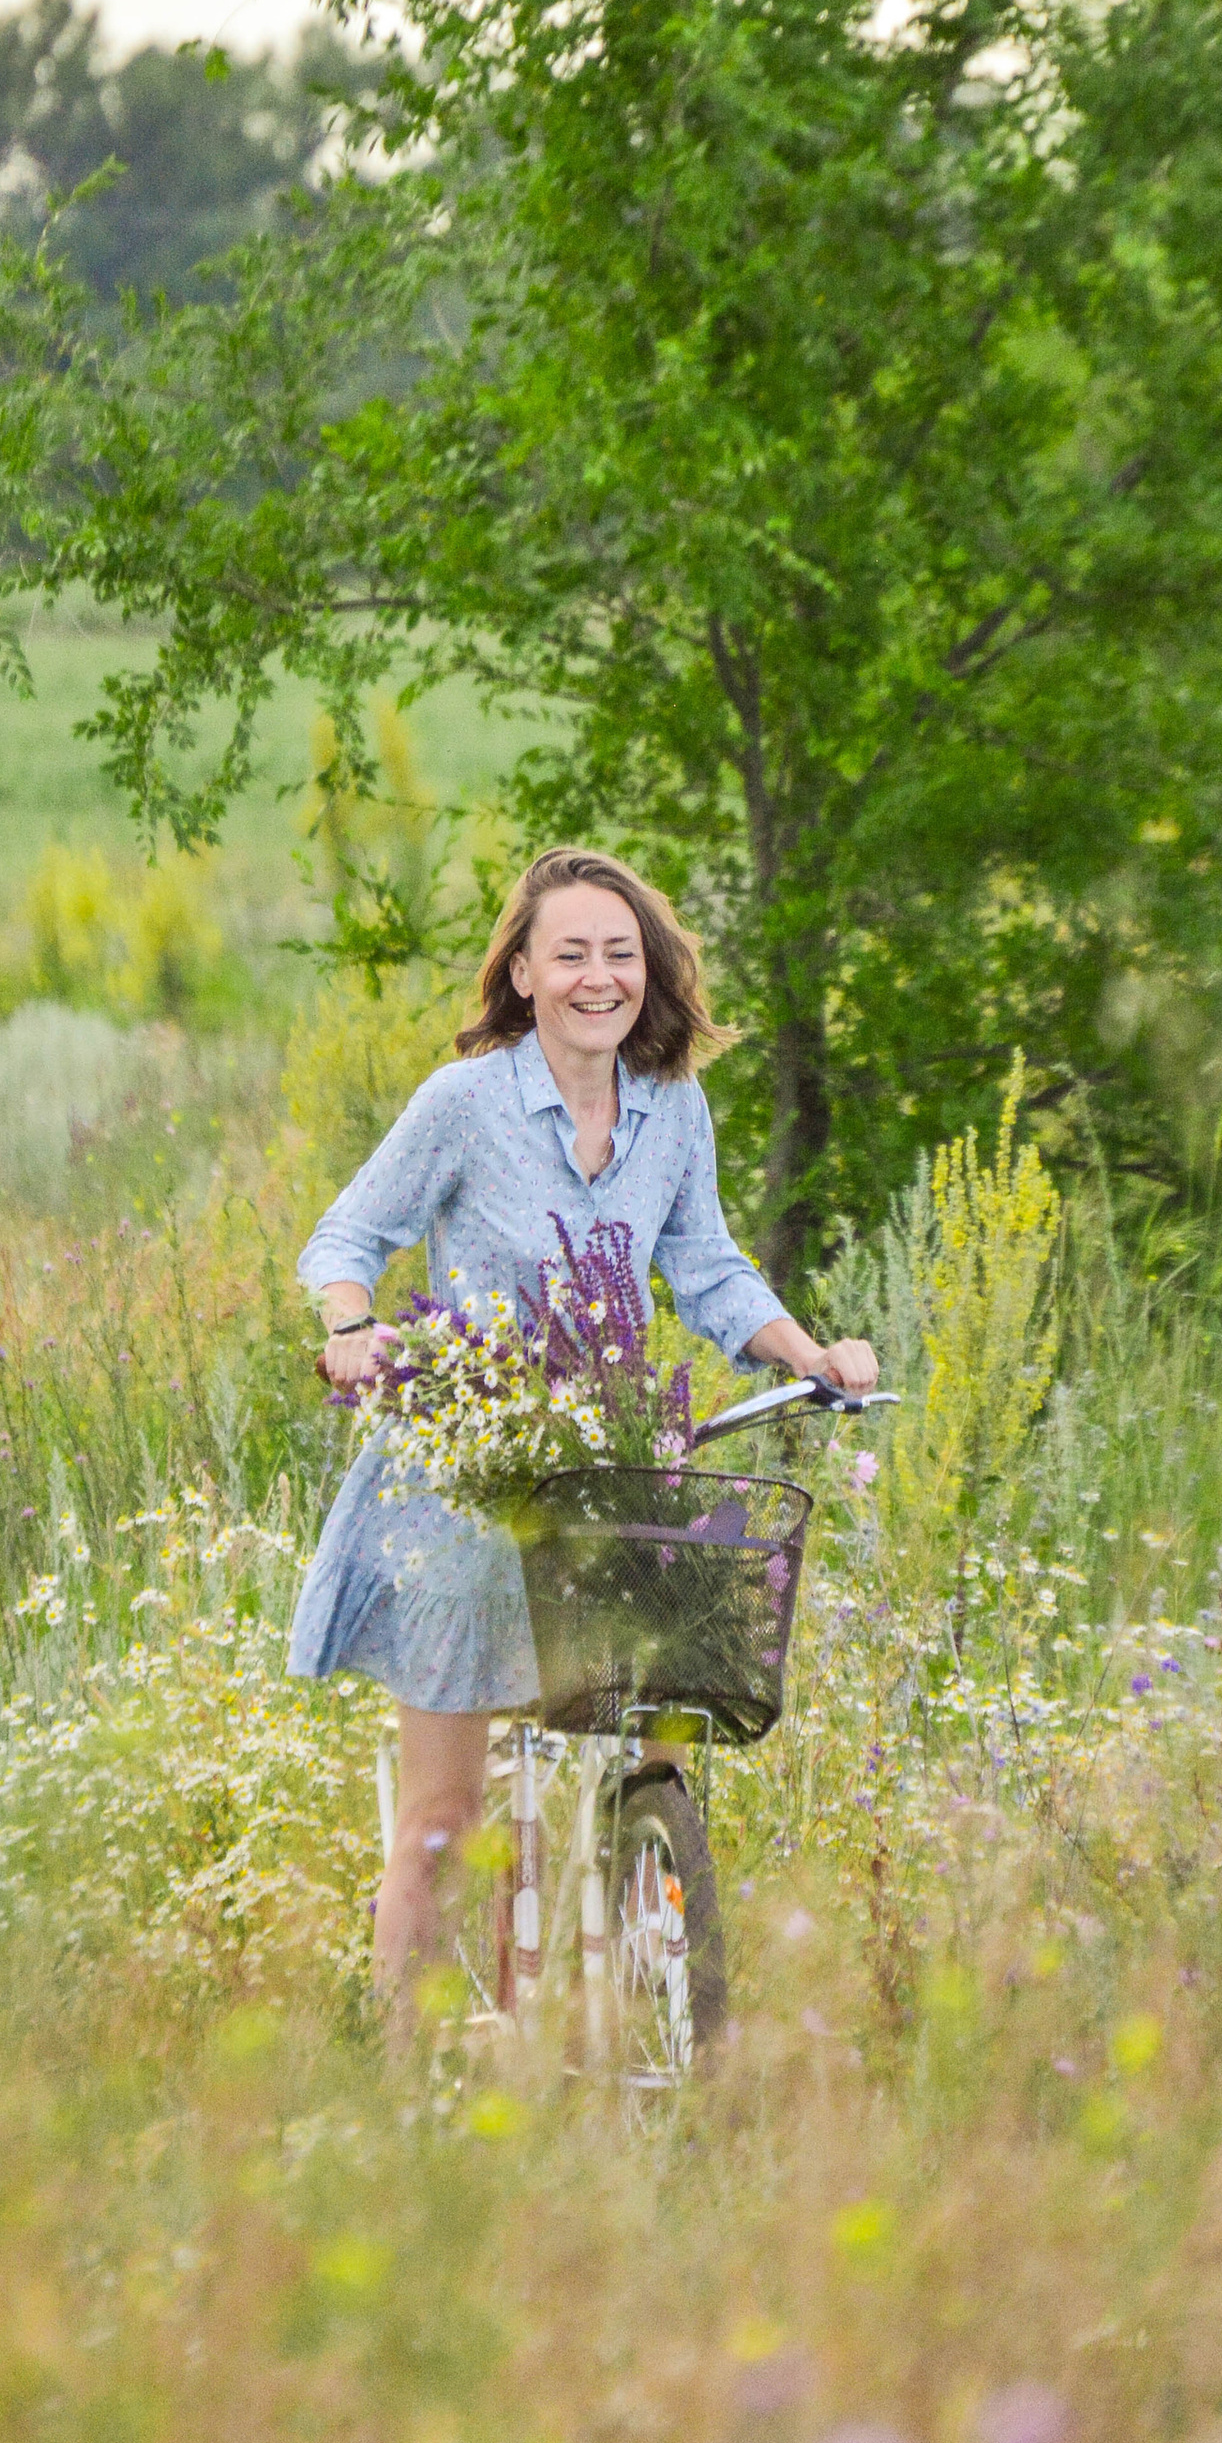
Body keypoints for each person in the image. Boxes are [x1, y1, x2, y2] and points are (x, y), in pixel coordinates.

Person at [291, 844, 878, 1991]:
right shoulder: (465, 1104)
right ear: (522, 974)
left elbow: (707, 1266)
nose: (596, 977)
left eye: (619, 953)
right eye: (569, 955)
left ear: (647, 972)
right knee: (446, 1821)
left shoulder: (673, 1109)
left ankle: (645, 1911)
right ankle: (405, 2070)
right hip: (466, 1480)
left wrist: (810, 1354)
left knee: (672, 1705)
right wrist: (352, 1326)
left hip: (605, 1470)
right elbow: (347, 1235)